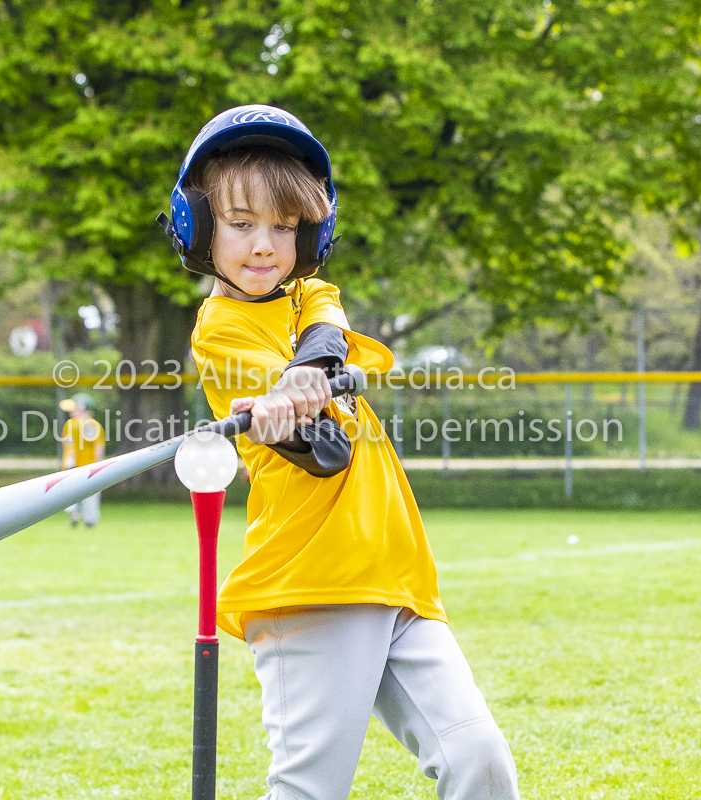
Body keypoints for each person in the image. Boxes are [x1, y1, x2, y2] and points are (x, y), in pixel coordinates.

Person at [159, 105, 519, 800]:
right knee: (309, 791)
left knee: (479, 760)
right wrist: (279, 415)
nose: (265, 245)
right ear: (196, 224)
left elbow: (327, 324)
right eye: (241, 224)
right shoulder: (221, 333)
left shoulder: (306, 296)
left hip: (394, 573)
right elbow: (326, 451)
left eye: (285, 227)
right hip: (314, 585)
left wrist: (305, 375)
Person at [58, 392, 105, 528]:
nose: (72, 411)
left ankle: (75, 515)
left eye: (75, 408)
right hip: (91, 468)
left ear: (82, 408)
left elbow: (69, 445)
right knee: (90, 496)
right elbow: (99, 449)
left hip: (73, 467)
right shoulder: (95, 425)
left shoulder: (71, 424)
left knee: (73, 496)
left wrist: (70, 463)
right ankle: (89, 520)